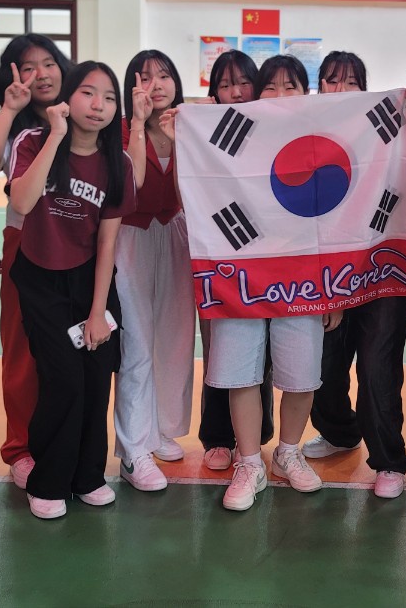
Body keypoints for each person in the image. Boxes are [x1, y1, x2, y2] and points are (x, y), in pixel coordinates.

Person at [205, 55, 342, 511]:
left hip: (303, 276)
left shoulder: (321, 145)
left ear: (306, 93)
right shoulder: (229, 142)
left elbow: (336, 219)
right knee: (239, 369)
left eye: (292, 86)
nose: (281, 96)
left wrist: (333, 288)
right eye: (272, 87)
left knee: (301, 372)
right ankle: (249, 462)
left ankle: (287, 452)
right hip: (240, 274)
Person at [7, 61, 136, 519]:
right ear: (67, 97)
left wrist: (98, 312)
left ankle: (87, 477)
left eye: (109, 97)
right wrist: (56, 135)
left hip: (89, 278)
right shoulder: (33, 141)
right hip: (40, 278)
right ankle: (48, 481)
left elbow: (107, 242)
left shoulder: (118, 162)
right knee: (62, 379)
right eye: (88, 92)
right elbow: (22, 201)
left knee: (96, 378)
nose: (98, 105)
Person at [303, 53, 406, 499]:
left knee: (377, 367)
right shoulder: (304, 132)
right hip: (327, 274)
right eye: (331, 80)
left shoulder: (387, 130)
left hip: (381, 272)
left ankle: (388, 460)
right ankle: (340, 432)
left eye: (351, 81)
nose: (340, 89)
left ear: (365, 89)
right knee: (323, 366)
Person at [0, 34, 72, 489]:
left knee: (75, 352)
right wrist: (9, 110)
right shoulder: (13, 128)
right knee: (22, 350)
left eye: (48, 63)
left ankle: (67, 443)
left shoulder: (82, 116)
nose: (41, 74)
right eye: (28, 67)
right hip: (25, 242)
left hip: (79, 243)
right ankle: (21, 448)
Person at [113, 50, 198, 491]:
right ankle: (133, 448)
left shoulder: (188, 125)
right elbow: (134, 183)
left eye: (164, 75)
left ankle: (161, 428)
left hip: (176, 233)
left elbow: (193, 188)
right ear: (132, 86)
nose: (156, 84)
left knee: (176, 338)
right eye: (144, 77)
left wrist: (181, 139)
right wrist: (139, 125)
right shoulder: (120, 129)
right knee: (137, 343)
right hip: (132, 236)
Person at [196, 50, 275, 473]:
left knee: (262, 352)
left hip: (270, 259)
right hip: (222, 259)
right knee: (220, 349)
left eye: (244, 82)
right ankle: (217, 436)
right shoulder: (206, 131)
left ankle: (257, 435)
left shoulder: (273, 129)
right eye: (225, 85)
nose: (236, 92)